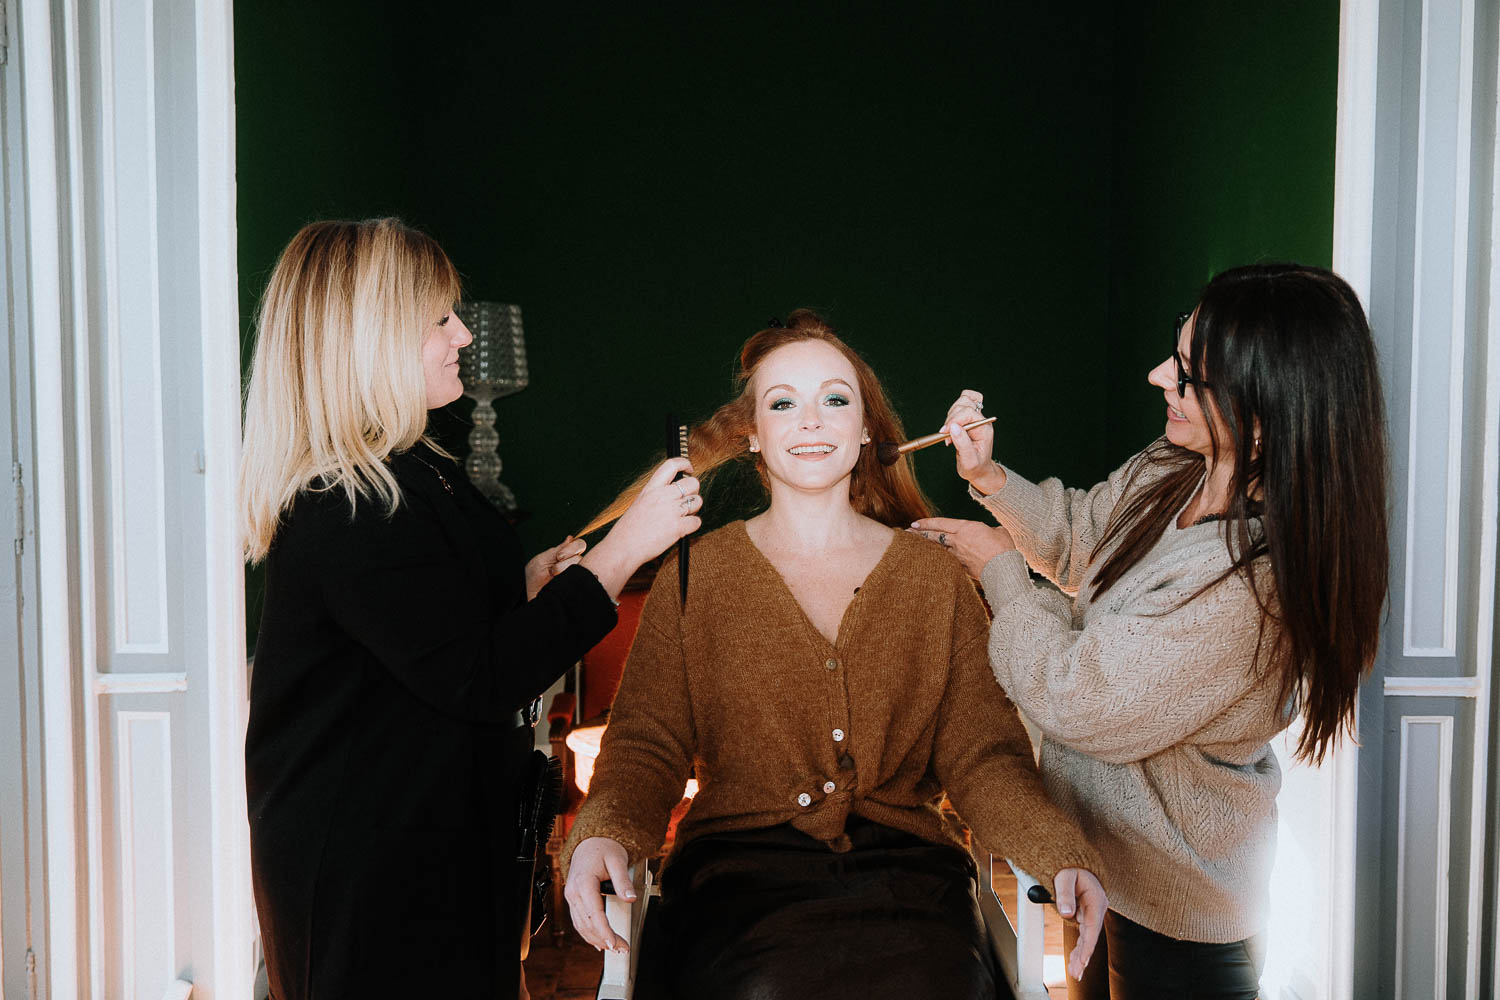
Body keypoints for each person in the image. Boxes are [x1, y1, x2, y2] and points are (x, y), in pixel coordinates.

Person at [561, 311, 1108, 1000]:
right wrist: (603, 832)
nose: (812, 421)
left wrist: (1057, 851)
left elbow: (983, 756)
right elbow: (645, 745)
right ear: (752, 435)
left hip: (910, 878)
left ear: (868, 429)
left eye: (835, 400)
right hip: (733, 879)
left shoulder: (934, 578)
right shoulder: (696, 576)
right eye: (783, 404)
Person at [239, 218, 703, 1000]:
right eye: (439, 320)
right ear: (370, 340)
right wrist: (625, 550)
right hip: (374, 880)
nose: (461, 334)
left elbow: (420, 631)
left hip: (434, 841)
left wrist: (522, 589)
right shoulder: (346, 502)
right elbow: (479, 677)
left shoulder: (418, 466)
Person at [912, 263, 1389, 1000]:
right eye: (1176, 351)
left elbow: (1077, 695)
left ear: (1265, 415)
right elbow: (1080, 538)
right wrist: (990, 478)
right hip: (1096, 864)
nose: (1158, 376)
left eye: (1188, 377)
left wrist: (999, 570)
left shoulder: (1252, 588)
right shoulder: (1175, 465)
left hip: (1177, 916)